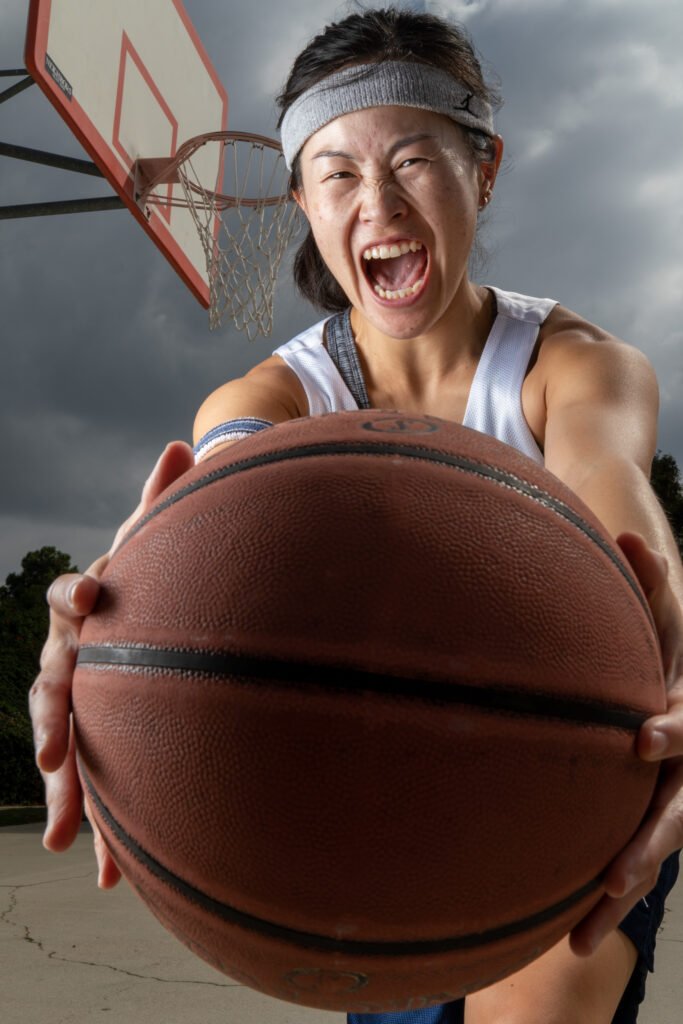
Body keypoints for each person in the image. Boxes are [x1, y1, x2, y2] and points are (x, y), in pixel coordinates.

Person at [30, 7, 683, 1024]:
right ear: (300, 200)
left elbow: (622, 527)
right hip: (361, 820)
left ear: (485, 170)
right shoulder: (268, 402)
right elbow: (203, 530)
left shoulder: (573, 366)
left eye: (412, 161)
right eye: (336, 173)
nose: (374, 202)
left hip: (548, 790)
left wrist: (666, 641)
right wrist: (105, 633)